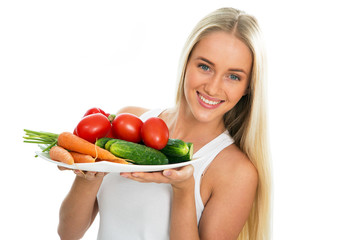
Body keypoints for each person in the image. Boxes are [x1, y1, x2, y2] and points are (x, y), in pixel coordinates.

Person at [57, 7, 271, 240]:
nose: (213, 87)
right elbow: (68, 233)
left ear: (248, 87)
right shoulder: (129, 122)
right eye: (205, 66)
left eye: (233, 76)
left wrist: (183, 189)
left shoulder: (236, 172)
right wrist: (88, 175)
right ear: (186, 62)